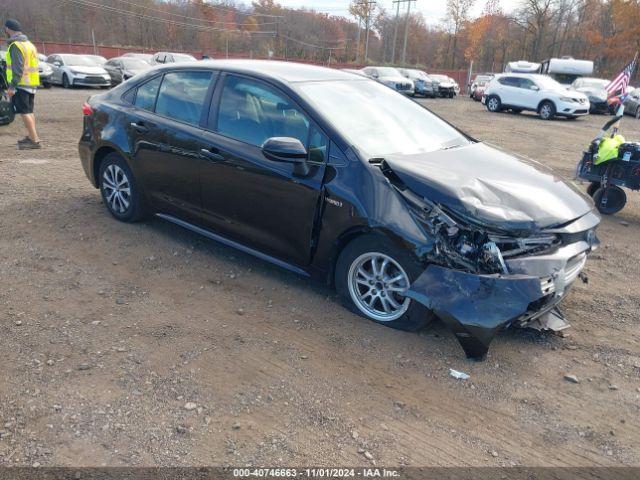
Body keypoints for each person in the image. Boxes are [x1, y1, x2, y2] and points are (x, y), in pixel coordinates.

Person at [4, 18, 41, 150]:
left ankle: (34, 140)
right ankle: (32, 137)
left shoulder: (16, 46)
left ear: (8, 29)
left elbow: (18, 68)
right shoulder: (29, 44)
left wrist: (12, 86)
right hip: (31, 83)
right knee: (29, 111)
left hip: (21, 84)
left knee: (24, 112)